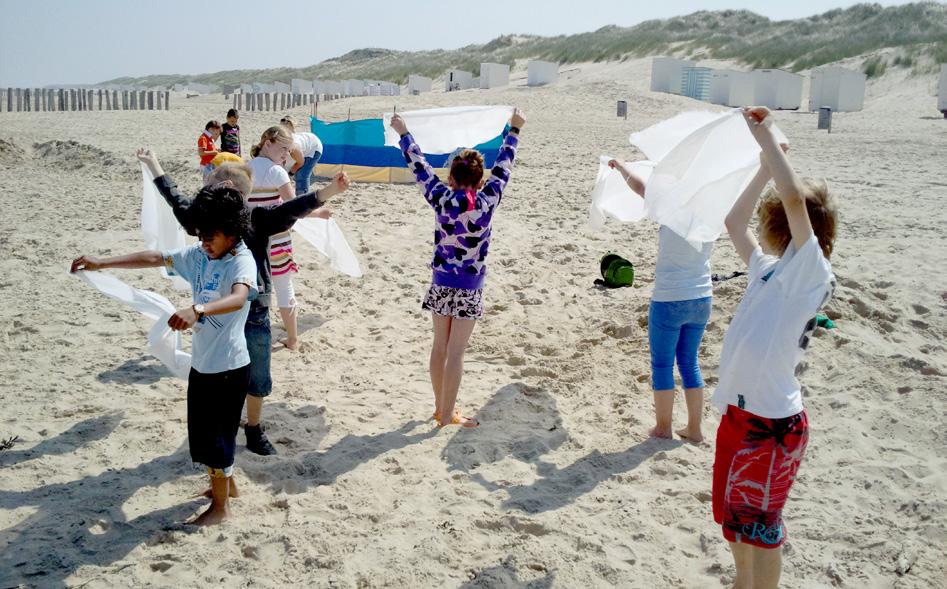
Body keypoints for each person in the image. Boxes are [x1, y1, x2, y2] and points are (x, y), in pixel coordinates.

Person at [136, 148, 350, 457]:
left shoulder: (256, 220)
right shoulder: (205, 219)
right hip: (215, 312)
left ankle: (253, 428)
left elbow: (293, 209)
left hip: (253, 310)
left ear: (234, 191)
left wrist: (331, 190)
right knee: (218, 374)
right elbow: (176, 200)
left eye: (216, 184)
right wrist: (154, 163)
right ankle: (229, 427)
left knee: (258, 374)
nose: (211, 190)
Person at [70, 185, 257, 526]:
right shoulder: (202, 255)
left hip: (228, 368)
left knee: (217, 439)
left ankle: (220, 510)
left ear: (232, 233)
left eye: (210, 236)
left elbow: (239, 297)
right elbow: (157, 257)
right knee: (205, 438)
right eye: (200, 235)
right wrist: (103, 262)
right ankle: (227, 489)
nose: (203, 242)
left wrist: (198, 309)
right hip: (203, 364)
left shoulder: (241, 260)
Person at [713, 106, 838, 589]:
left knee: (761, 531)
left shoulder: (809, 274)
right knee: (734, 524)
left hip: (773, 425)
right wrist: (763, 166)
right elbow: (732, 221)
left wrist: (764, 136)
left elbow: (791, 198)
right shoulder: (767, 270)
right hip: (739, 417)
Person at [389, 108, 524, 428]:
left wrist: (404, 132)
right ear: (480, 178)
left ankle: (440, 408)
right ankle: (447, 414)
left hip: (441, 281)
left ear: (451, 176)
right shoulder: (488, 198)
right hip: (469, 286)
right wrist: (514, 130)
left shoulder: (441, 196)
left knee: (439, 347)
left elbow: (418, 165)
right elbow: (504, 166)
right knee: (456, 352)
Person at [607, 158, 714, 442]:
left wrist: (621, 167)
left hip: (670, 299)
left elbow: (640, 187)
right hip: (702, 297)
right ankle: (694, 429)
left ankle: (663, 428)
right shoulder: (712, 212)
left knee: (663, 365)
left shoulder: (671, 209)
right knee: (690, 363)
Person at [248, 125, 310, 352]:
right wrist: (319, 211)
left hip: (252, 239)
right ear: (268, 143)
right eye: (283, 149)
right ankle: (293, 340)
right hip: (277, 239)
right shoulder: (277, 172)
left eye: (289, 150)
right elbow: (294, 206)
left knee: (251, 287)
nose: (286, 155)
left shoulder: (245, 168)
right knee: (284, 287)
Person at [280, 116, 324, 196]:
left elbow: (300, 162)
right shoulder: (278, 144)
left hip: (313, 148)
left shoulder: (294, 146)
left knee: (302, 174)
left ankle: (302, 198)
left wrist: (290, 174)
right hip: (304, 145)